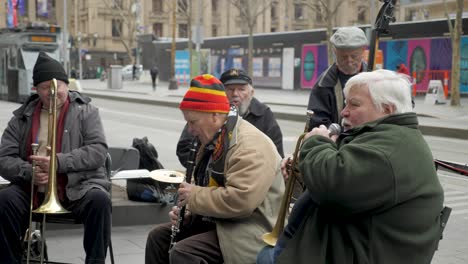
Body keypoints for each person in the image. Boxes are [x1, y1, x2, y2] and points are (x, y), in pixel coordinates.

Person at [257, 69, 444, 264]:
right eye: (346, 103)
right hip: (338, 243)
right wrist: (305, 173)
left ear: (387, 109)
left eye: (354, 104)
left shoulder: (387, 149)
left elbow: (332, 187)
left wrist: (316, 144)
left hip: (350, 253)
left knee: (263, 258)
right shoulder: (382, 137)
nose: (343, 111)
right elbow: (346, 187)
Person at [145, 74, 285, 264]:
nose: (190, 129)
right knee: (158, 239)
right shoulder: (215, 139)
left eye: (193, 122)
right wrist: (189, 212)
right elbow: (205, 184)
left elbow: (241, 201)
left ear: (215, 115)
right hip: (222, 221)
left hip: (251, 228)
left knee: (185, 252)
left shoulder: (249, 145)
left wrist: (194, 197)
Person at [0, 52, 111, 264]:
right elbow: (4, 158)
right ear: (35, 89)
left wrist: (58, 163)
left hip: (78, 189)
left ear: (67, 85)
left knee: (100, 201)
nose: (53, 92)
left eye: (58, 85)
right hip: (31, 189)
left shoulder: (86, 111)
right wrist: (28, 172)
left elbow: (98, 150)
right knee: (4, 201)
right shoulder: (21, 118)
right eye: (45, 87)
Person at [176, 68, 284, 169]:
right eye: (230, 89)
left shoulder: (264, 114)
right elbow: (184, 149)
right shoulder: (207, 115)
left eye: (241, 89)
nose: (235, 94)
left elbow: (277, 155)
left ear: (251, 93)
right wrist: (205, 166)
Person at [307, 26, 368, 130]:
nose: (349, 61)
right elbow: (318, 122)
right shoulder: (323, 85)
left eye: (354, 56)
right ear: (335, 52)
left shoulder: (378, 79)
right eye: (343, 57)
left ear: (363, 51)